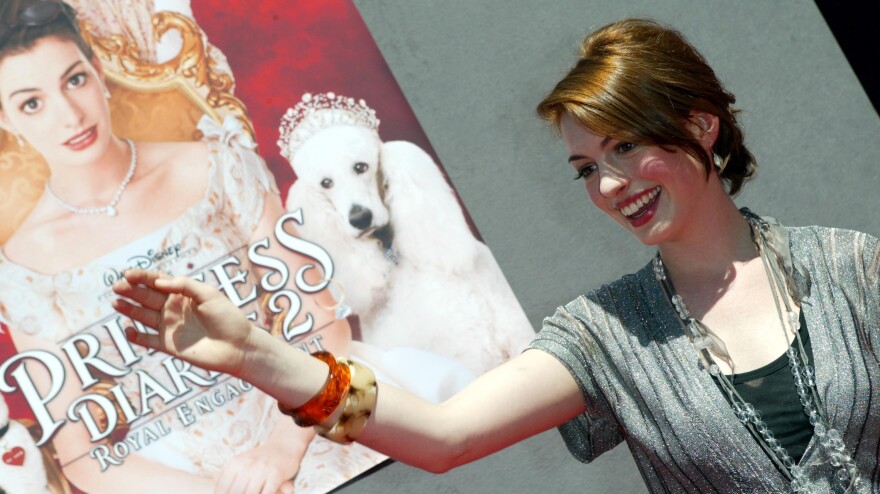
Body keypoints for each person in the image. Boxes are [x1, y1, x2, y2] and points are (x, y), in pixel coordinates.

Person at [111, 18, 879, 493]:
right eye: (585, 168)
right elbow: (445, 436)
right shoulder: (608, 334)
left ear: (703, 126)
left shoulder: (852, 269)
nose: (609, 184)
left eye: (626, 147)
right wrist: (254, 354)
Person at [0, 1, 371, 492]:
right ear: (6, 121)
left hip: (312, 417)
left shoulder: (216, 165)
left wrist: (282, 450)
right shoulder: (24, 265)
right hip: (176, 477)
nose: (69, 115)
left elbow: (329, 325)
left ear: (97, 68)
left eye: (73, 80)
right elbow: (83, 454)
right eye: (31, 103)